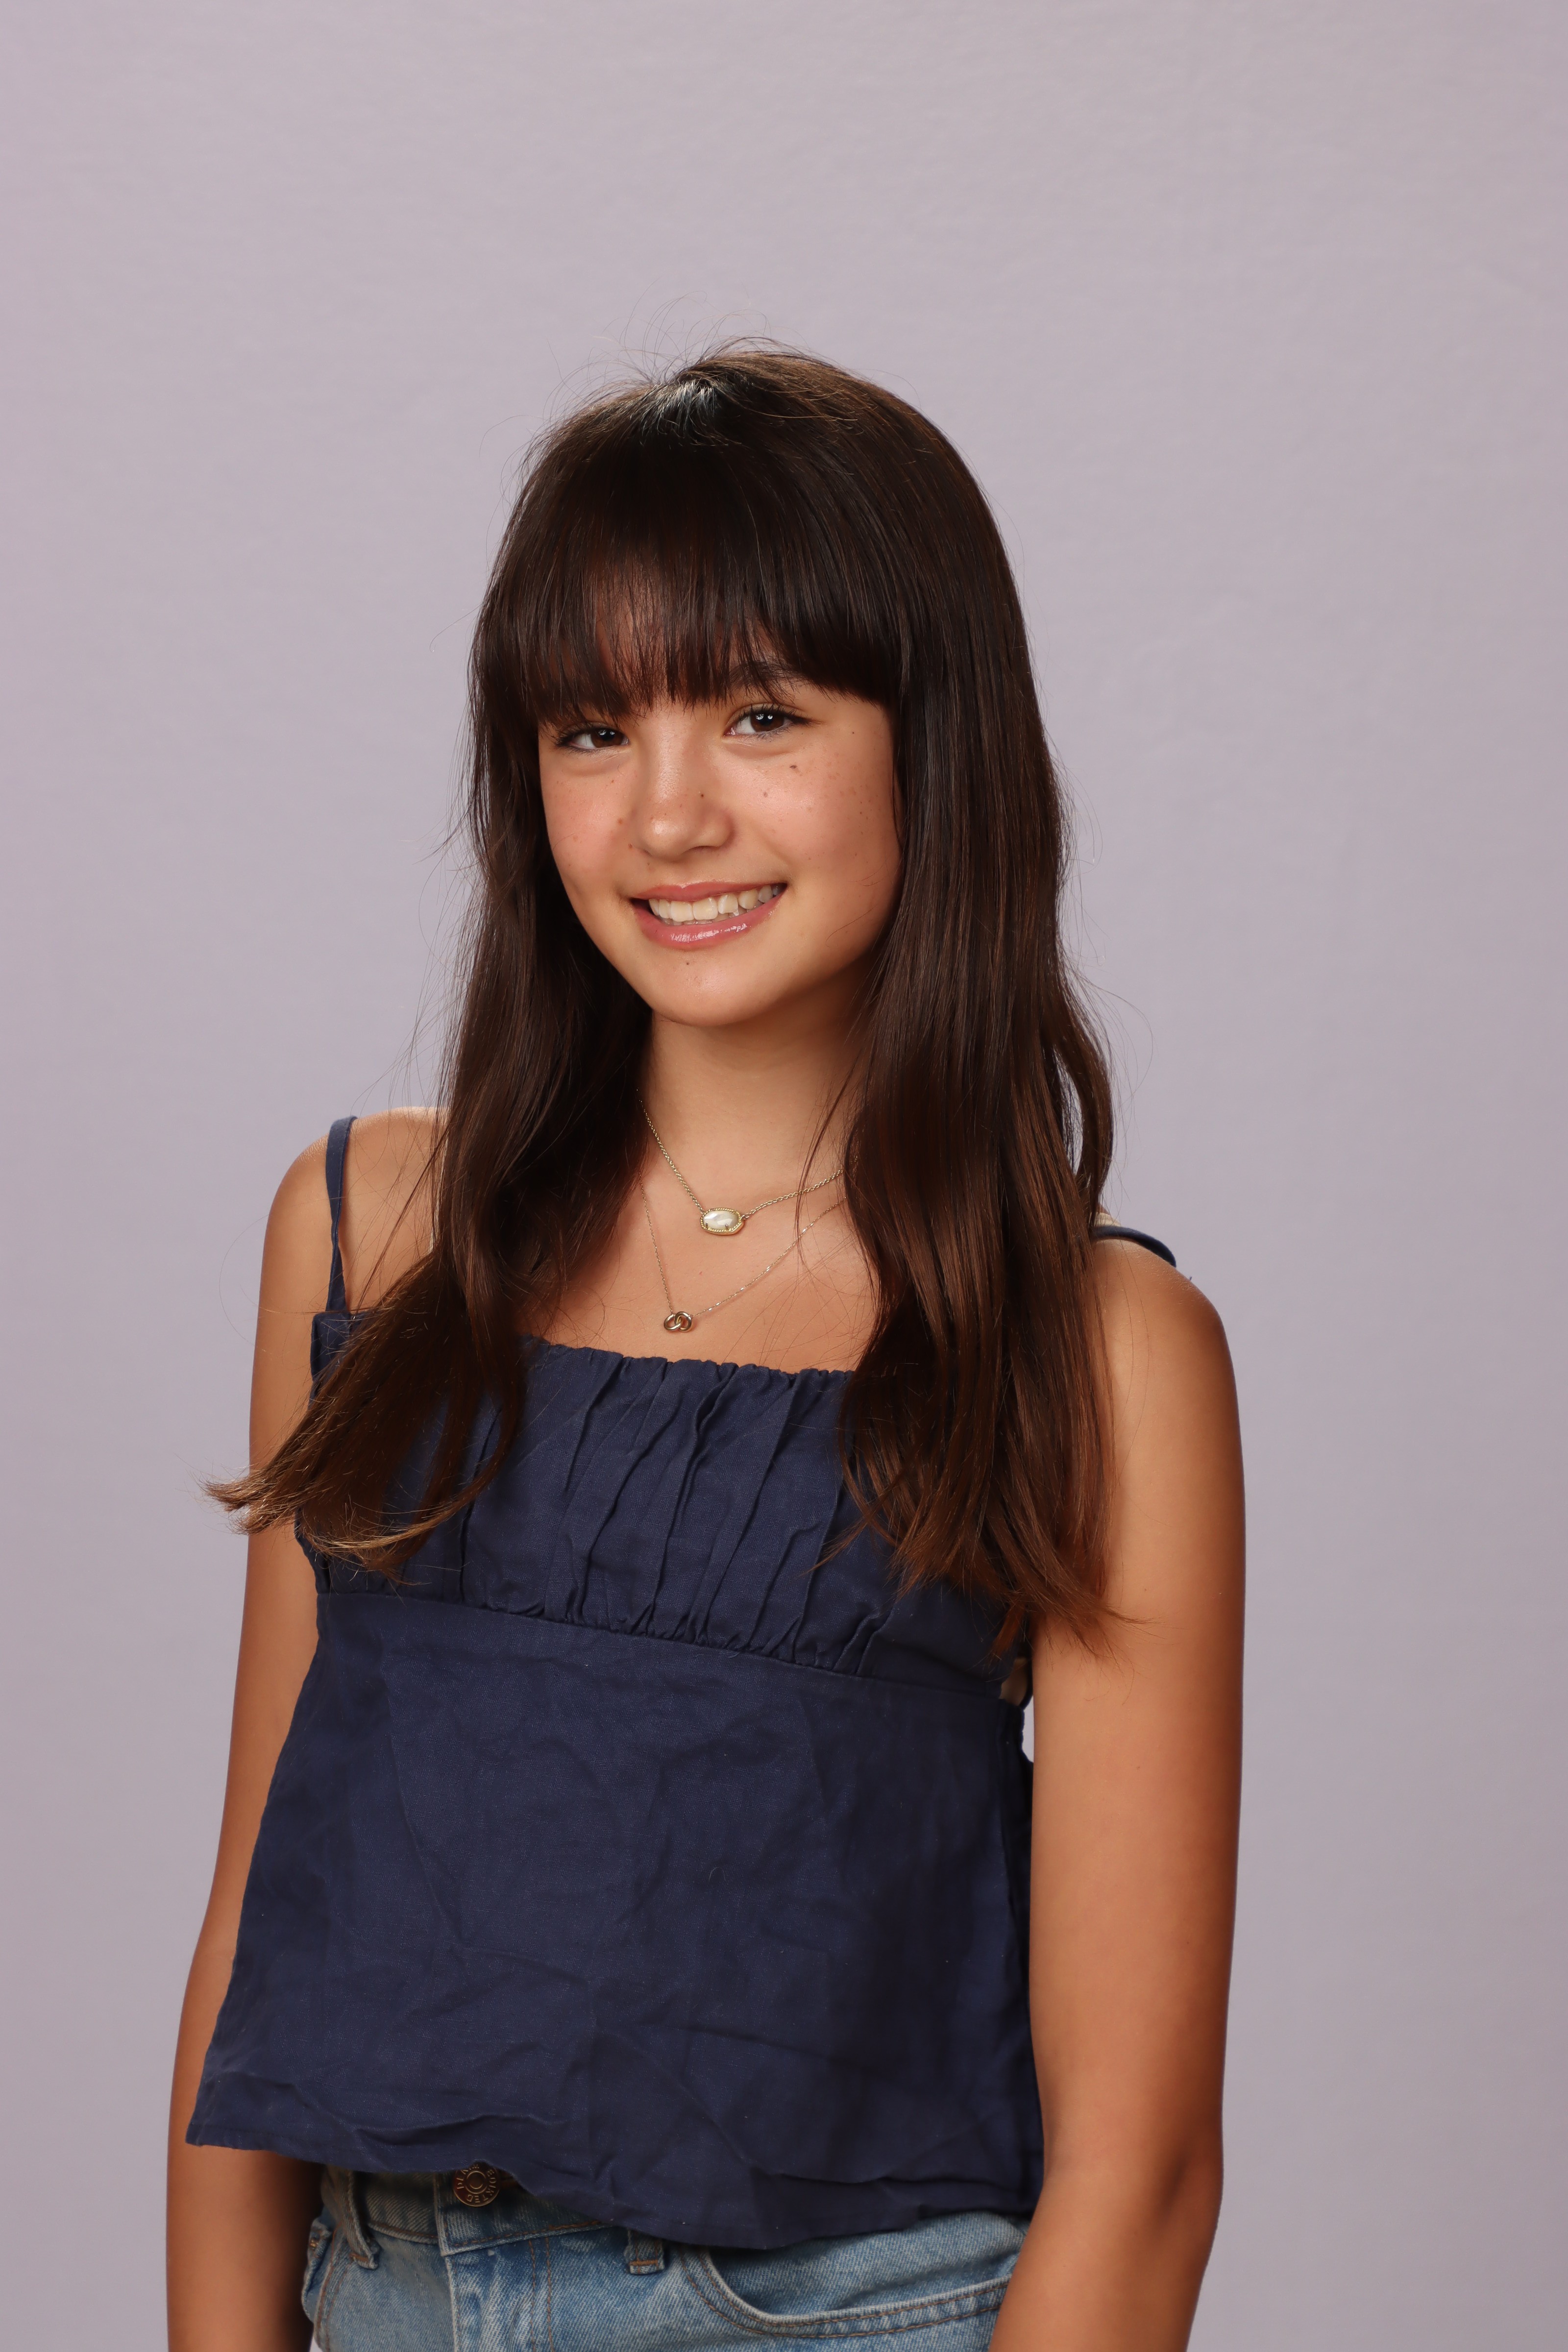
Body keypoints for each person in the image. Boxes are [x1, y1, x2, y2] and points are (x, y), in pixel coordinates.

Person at [166, 348, 1244, 2352]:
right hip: (387, 2291)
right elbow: (257, 1919)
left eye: (762, 715)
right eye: (593, 729)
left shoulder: (1099, 1350)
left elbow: (1141, 2168)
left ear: (936, 745)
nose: (668, 814)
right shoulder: (370, 1232)